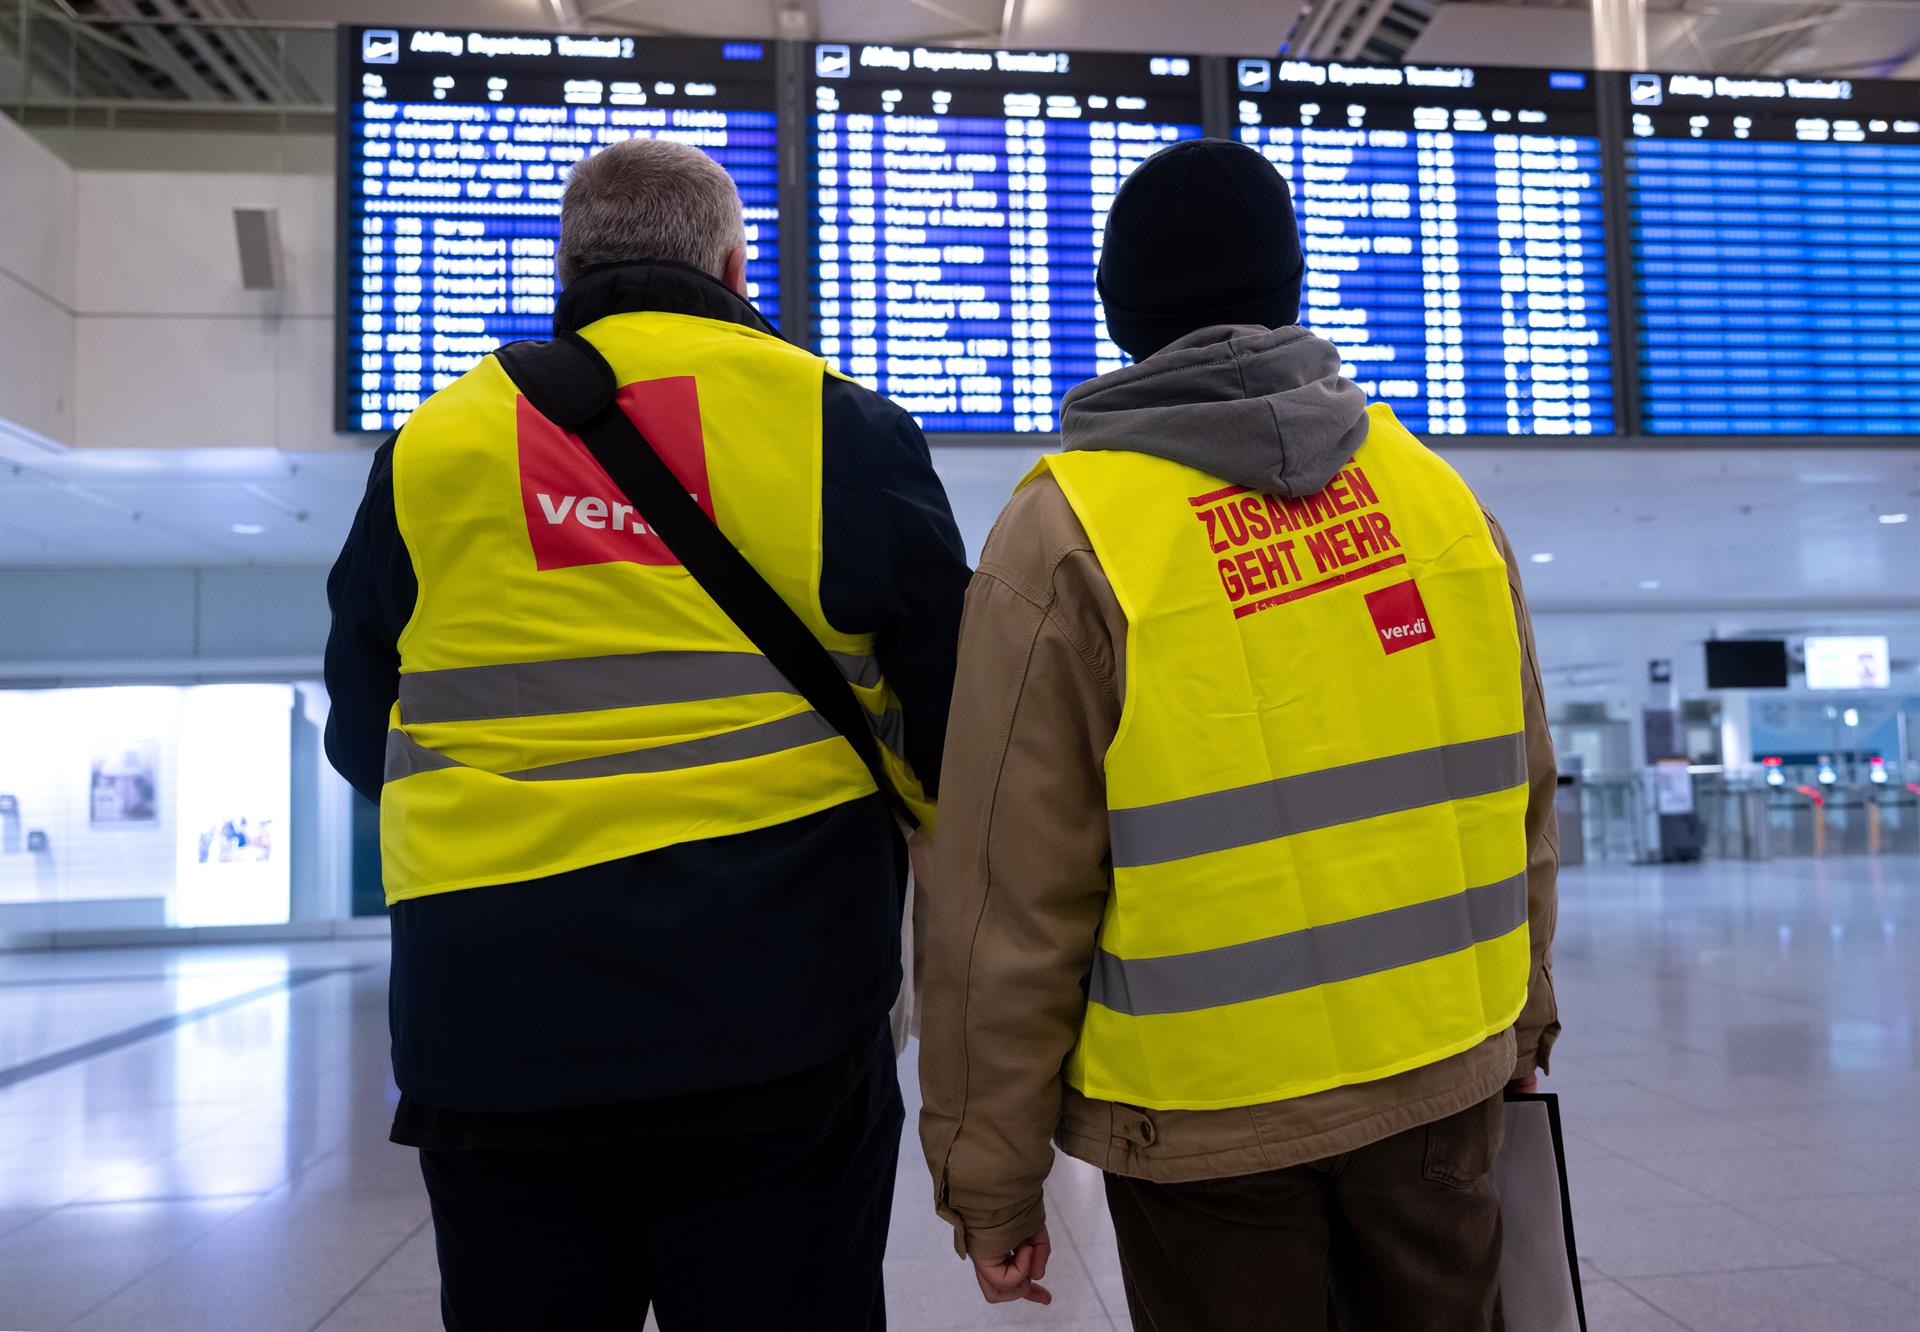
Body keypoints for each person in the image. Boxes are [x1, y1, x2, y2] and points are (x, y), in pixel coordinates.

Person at [324, 136, 969, 1332]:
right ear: (733, 267)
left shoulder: (430, 448)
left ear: (567, 270)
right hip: (778, 1012)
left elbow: (364, 733)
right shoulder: (838, 426)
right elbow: (953, 715)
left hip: (492, 1026)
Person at [917, 138, 1560, 1332]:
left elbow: (1005, 901)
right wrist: (1526, 1021)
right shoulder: (1439, 501)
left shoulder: (1067, 536)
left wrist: (990, 1177)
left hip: (1205, 1124)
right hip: (1442, 1078)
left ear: (1117, 314)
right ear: (1291, 288)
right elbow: (1524, 794)